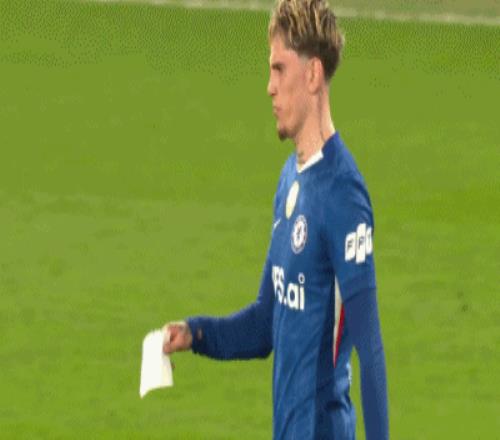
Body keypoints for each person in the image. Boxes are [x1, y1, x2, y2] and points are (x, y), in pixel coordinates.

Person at [163, 0, 389, 438]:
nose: (269, 87)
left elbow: (370, 348)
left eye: (279, 69)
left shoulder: (343, 194)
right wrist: (195, 334)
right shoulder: (290, 179)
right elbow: (267, 322)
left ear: (312, 75)